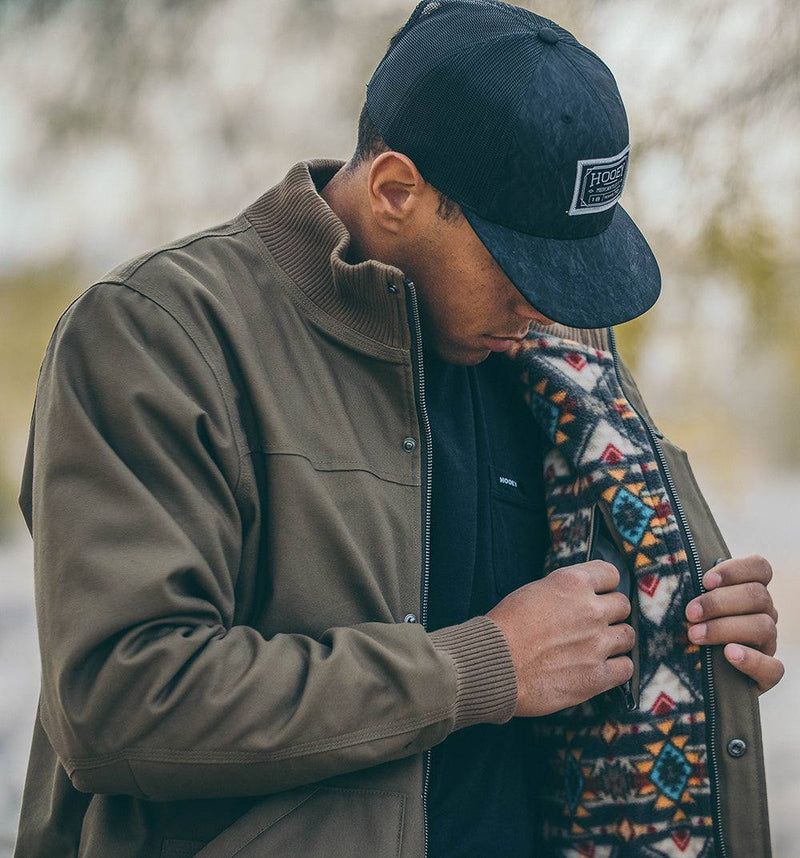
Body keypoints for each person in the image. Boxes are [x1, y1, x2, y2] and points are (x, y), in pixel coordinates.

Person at [14, 2, 783, 856]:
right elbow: (118, 704)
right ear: (395, 191)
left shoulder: (554, 362)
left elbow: (589, 652)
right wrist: (483, 666)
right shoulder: (157, 335)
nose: (543, 306)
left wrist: (702, 636)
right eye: (520, 266)